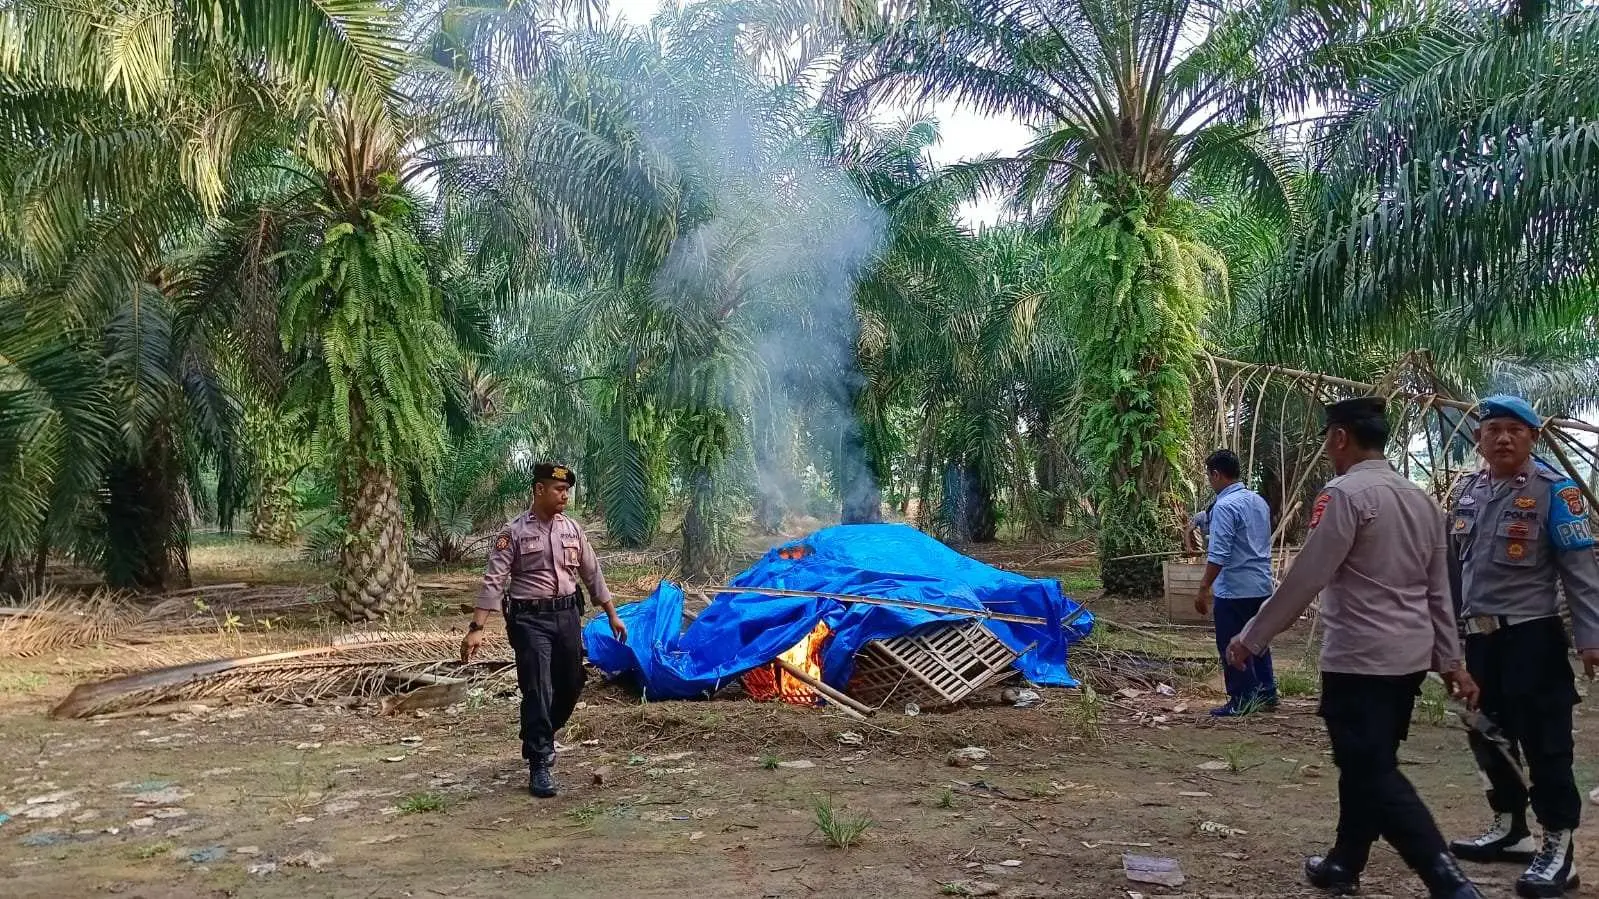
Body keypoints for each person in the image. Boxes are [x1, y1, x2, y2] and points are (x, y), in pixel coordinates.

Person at [1226, 397, 1482, 899]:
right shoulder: (1421, 499)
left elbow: (1307, 577)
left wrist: (1252, 636)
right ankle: (1345, 861)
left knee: (1372, 770)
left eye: (1327, 437)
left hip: (1359, 659)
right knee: (1367, 762)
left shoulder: (1344, 495)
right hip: (1406, 660)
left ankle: (1447, 879)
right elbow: (1439, 589)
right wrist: (1450, 660)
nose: (1326, 447)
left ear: (1340, 437)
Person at [1443, 395, 1599, 898]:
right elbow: (1450, 572)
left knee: (1546, 742)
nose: (1503, 438)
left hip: (1532, 636)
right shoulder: (1468, 491)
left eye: (1515, 429)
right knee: (1487, 734)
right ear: (1479, 439)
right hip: (1480, 641)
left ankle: (1559, 847)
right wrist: (1447, 636)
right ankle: (1510, 828)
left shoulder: (1557, 492)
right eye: (1494, 430)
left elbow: (1581, 573)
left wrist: (1591, 638)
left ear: (1532, 437)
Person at [462, 462, 628, 798]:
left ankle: (538, 733)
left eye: (567, 490)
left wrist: (612, 614)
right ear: (539, 490)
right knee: (537, 687)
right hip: (529, 620)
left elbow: (592, 573)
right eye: (558, 490)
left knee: (571, 683)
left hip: (567, 615)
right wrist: (477, 627)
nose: (564, 495)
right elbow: (494, 581)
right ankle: (539, 761)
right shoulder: (514, 533)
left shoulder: (572, 530)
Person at [1193, 449, 1278, 716]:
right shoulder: (1258, 502)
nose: (1210, 481)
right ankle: (1266, 693)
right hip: (1261, 584)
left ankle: (1241, 699)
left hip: (1235, 589)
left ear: (1216, 474)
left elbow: (1219, 554)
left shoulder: (1225, 506)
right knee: (1258, 639)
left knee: (1231, 643)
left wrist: (1204, 587)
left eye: (1209, 476)